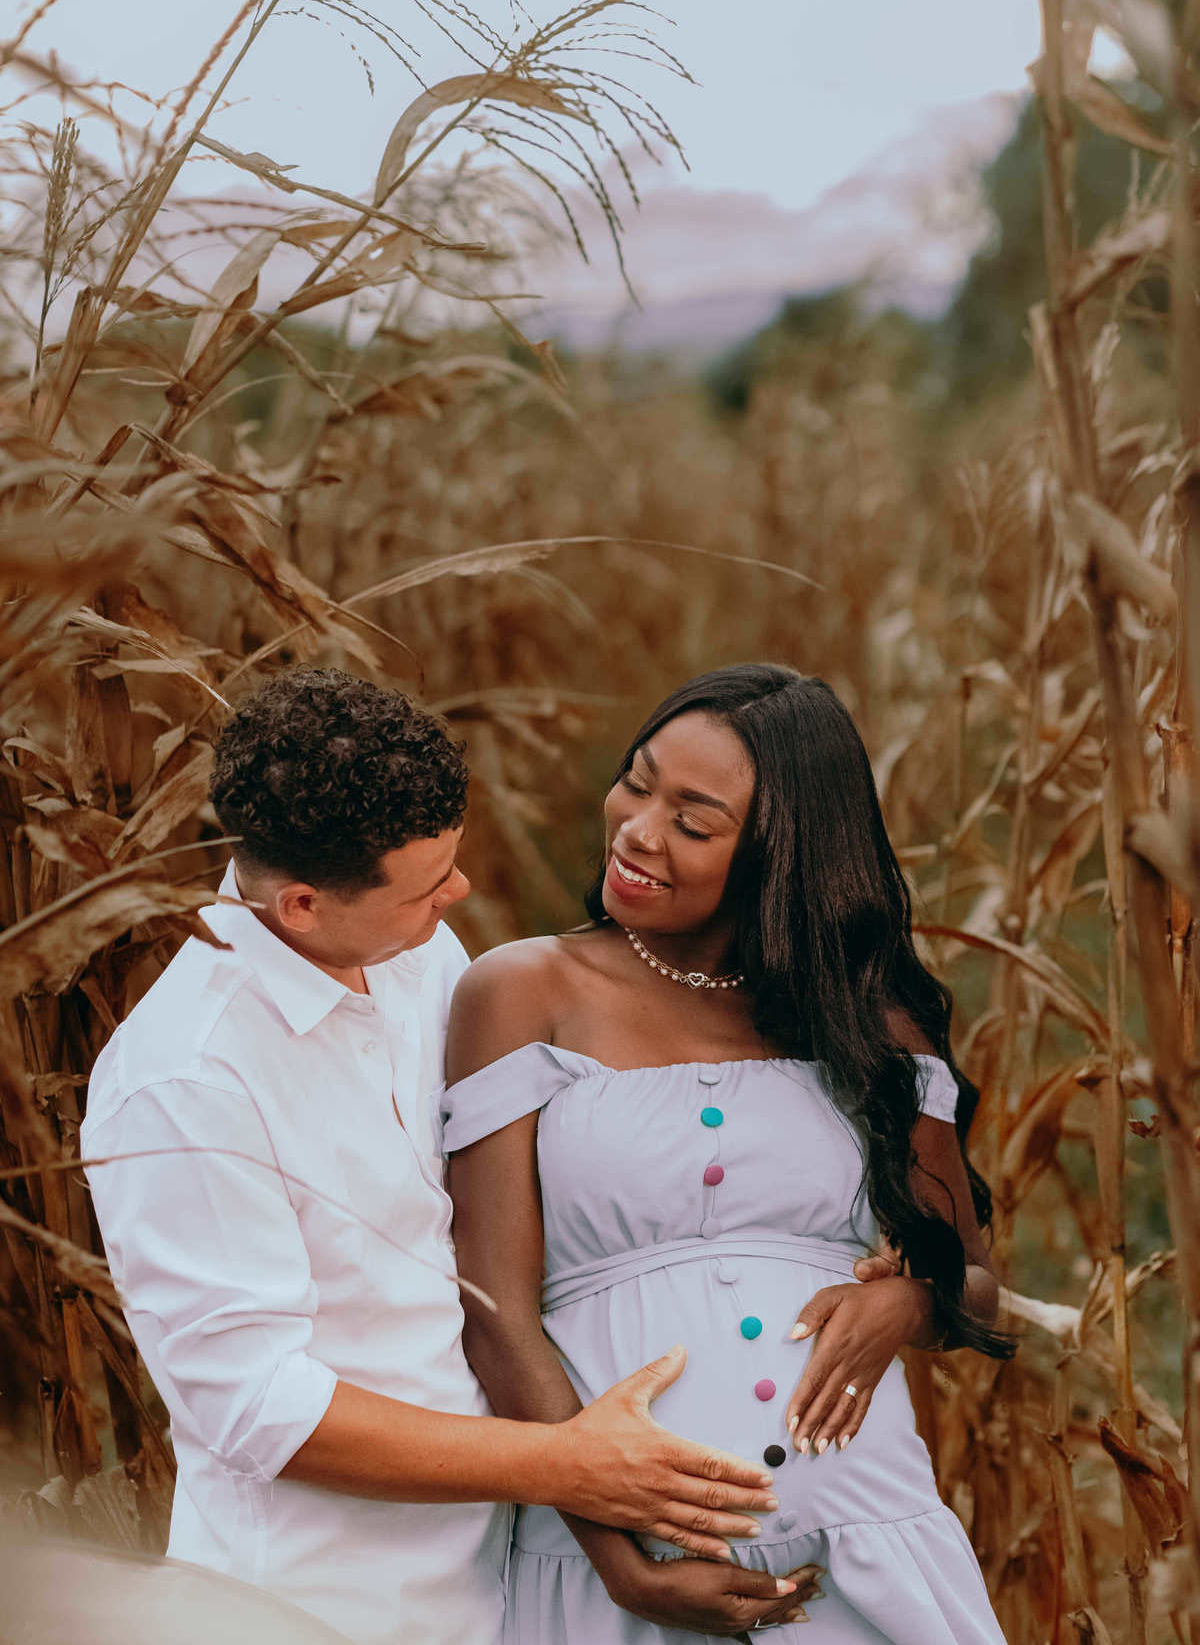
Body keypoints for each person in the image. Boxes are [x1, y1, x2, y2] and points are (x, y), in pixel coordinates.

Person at [80, 667, 783, 1645]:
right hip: (312, 1607)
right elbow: (258, 1410)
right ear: (301, 908)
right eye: (428, 883)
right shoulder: (183, 1083)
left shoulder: (418, 958)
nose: (460, 891)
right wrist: (563, 1464)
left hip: (491, 1585)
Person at [441, 664, 1014, 1642]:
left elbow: (980, 1285)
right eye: (637, 780)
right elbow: (493, 1312)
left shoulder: (876, 1022)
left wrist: (906, 1301)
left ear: (779, 858)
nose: (637, 830)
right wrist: (626, 1566)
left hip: (865, 1553)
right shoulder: (523, 991)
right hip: (615, 1578)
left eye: (694, 823)